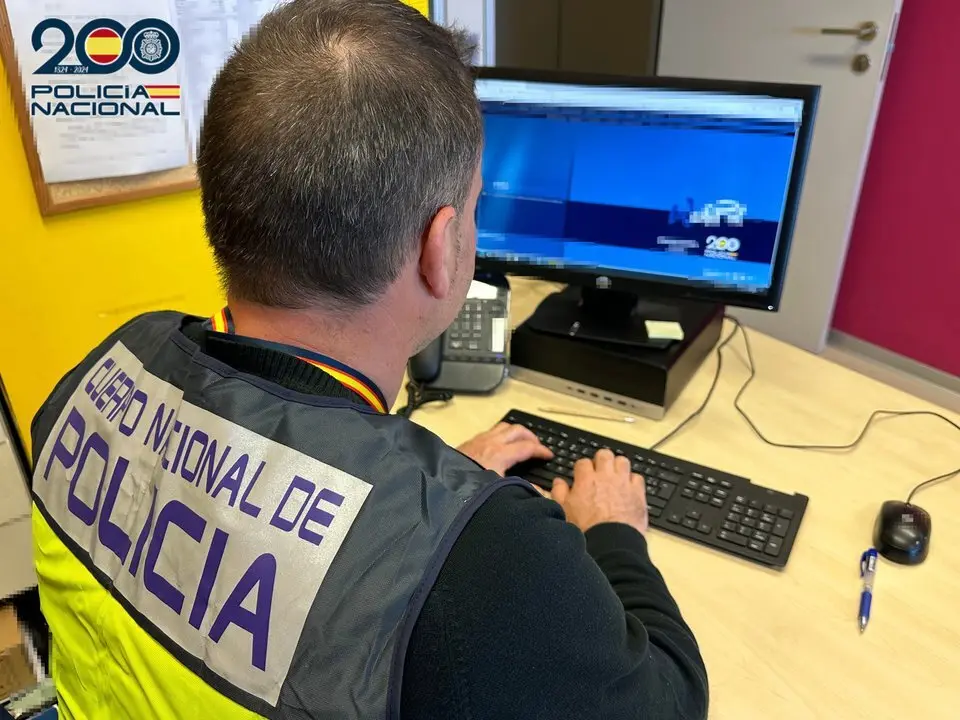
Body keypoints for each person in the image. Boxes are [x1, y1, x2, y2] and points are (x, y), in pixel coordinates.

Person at [29, 0, 708, 717]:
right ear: (439, 248)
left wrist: (420, 497)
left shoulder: (109, 367)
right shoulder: (488, 568)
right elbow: (668, 703)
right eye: (476, 206)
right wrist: (613, 533)